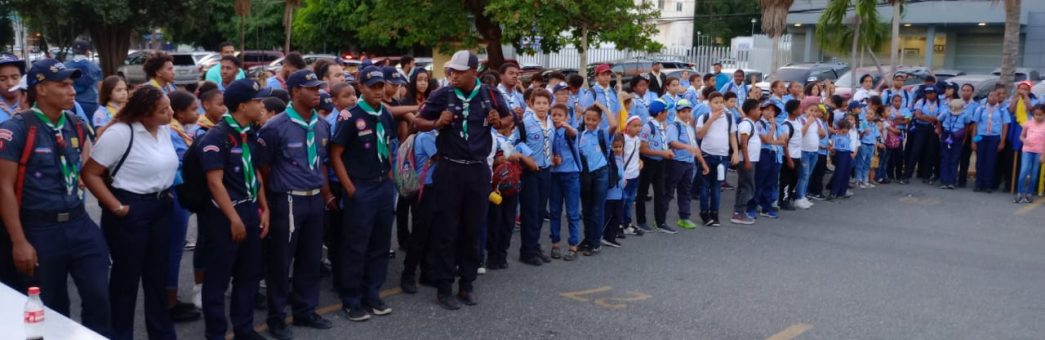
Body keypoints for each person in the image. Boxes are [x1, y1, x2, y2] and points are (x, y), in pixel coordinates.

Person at [0, 59, 110, 337]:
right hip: (40, 228)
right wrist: (19, 241)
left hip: (79, 222)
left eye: (72, 84)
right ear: (41, 89)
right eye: (63, 85)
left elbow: (86, 170)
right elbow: (4, 187)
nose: (72, 90)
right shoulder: (18, 129)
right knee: (52, 306)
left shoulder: (75, 123)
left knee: (99, 297)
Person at [409, 50, 510, 309]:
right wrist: (436, 123)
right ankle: (444, 287)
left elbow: (512, 119)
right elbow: (417, 122)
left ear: (473, 73)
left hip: (477, 169)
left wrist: (500, 121)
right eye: (451, 70)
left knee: (472, 229)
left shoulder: (490, 94)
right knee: (447, 230)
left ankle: (467, 284)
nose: (452, 74)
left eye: (459, 71)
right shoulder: (443, 94)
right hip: (450, 169)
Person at [82, 84, 179, 340]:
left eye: (169, 106)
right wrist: (117, 207)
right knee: (126, 281)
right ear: (144, 114)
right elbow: (90, 174)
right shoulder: (121, 134)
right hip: (130, 208)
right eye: (162, 110)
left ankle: (162, 334)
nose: (170, 113)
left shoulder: (164, 130)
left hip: (161, 206)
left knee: (157, 278)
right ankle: (119, 335)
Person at [256, 69, 334, 337]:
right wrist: (270, 201)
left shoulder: (322, 124)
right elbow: (263, 167)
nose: (318, 92)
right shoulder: (275, 126)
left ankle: (305, 310)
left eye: (318, 88)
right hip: (288, 200)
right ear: (294, 91)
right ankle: (276, 317)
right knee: (281, 261)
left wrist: (325, 195)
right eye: (310, 88)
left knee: (310, 259)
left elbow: (321, 163)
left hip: (314, 199)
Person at [195, 79, 271, 340]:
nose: (262, 105)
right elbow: (215, 184)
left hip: (250, 210)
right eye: (258, 101)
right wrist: (233, 218)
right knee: (217, 280)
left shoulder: (250, 132)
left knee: (248, 275)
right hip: (224, 217)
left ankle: (244, 329)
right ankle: (215, 333)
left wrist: (265, 208)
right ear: (242, 106)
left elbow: (256, 175)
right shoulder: (216, 137)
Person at [328, 66, 397, 318]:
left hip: (382, 185)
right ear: (362, 88)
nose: (379, 91)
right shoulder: (349, 116)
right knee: (356, 245)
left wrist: (389, 175)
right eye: (373, 87)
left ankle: (373, 293)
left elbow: (387, 143)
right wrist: (348, 187)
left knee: (380, 243)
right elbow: (335, 153)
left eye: (381, 86)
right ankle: (351, 298)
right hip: (361, 187)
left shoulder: (385, 114)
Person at [165, 90, 203, 322]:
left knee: (175, 250)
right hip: (175, 195)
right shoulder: (171, 133)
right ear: (179, 112)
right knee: (172, 251)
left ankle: (172, 298)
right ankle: (169, 303)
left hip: (181, 194)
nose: (197, 113)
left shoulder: (179, 131)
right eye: (193, 109)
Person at [516, 87, 555, 267]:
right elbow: (514, 143)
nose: (541, 107)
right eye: (538, 103)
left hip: (546, 170)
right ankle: (527, 251)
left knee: (540, 212)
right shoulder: (525, 122)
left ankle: (535, 244)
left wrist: (554, 155)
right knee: (530, 212)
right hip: (530, 171)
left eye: (544, 103)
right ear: (531, 104)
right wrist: (527, 157)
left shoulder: (550, 121)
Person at [696, 92, 740, 225]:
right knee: (704, 186)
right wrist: (711, 119)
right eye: (716, 102)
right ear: (710, 104)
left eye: (721, 102)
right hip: (707, 156)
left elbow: (732, 135)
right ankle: (704, 212)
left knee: (716, 186)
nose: (719, 105)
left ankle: (715, 213)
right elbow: (699, 135)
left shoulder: (729, 116)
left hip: (723, 157)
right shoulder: (704, 117)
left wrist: (736, 152)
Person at [665, 99, 708, 229]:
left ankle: (684, 217)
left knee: (686, 191)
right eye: (683, 111)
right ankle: (660, 218)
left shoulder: (689, 127)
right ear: (677, 112)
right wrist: (686, 147)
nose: (687, 114)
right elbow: (672, 142)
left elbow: (695, 147)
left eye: (689, 111)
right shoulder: (674, 126)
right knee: (669, 191)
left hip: (689, 164)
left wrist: (703, 163)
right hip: (676, 162)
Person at [548, 103, 582, 260]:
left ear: (566, 117)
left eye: (560, 115)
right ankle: (555, 243)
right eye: (553, 114)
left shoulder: (568, 131)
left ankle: (573, 245)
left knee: (572, 212)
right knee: (554, 211)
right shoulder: (548, 131)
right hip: (554, 175)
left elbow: (573, 133)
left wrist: (565, 125)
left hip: (570, 174)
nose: (556, 118)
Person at [576, 105, 611, 256]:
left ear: (599, 120)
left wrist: (603, 107)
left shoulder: (603, 133)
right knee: (586, 209)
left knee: (597, 209)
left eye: (594, 119)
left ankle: (596, 242)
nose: (590, 122)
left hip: (601, 174)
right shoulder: (580, 134)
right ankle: (588, 239)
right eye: (587, 119)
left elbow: (615, 124)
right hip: (585, 175)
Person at [636, 99, 673, 232]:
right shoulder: (648, 126)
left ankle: (660, 222)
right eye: (666, 111)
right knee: (642, 192)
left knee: (660, 192)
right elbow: (643, 149)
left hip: (660, 163)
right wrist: (662, 152)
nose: (667, 113)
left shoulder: (661, 125)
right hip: (648, 162)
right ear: (659, 113)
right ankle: (641, 220)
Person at [972, 86, 1011, 193]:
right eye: (991, 96)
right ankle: (978, 183)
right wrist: (974, 141)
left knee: (991, 161)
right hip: (981, 136)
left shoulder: (1002, 110)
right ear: (987, 97)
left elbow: (1005, 127)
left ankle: (987, 184)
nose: (993, 98)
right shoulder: (981, 109)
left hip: (994, 138)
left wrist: (1002, 141)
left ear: (999, 98)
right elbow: (975, 125)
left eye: (995, 96)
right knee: (980, 161)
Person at [732, 99, 762, 224]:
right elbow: (743, 144)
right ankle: (739, 213)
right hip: (746, 160)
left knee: (744, 186)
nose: (760, 112)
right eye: (759, 109)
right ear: (751, 111)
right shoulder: (746, 124)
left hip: (749, 159)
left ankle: (738, 211)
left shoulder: (750, 123)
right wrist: (747, 161)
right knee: (748, 187)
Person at [905, 85, 943, 184]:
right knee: (915, 151)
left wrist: (927, 117)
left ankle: (926, 175)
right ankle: (907, 175)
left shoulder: (940, 103)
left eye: (931, 93)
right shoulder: (921, 102)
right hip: (921, 128)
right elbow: (918, 116)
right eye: (927, 93)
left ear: (936, 93)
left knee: (929, 152)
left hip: (932, 129)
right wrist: (932, 118)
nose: (929, 95)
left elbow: (940, 117)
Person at [754, 101, 784, 219]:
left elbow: (782, 141)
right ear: (762, 110)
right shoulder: (759, 124)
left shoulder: (777, 125)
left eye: (772, 110)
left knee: (770, 182)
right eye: (767, 109)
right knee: (760, 180)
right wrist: (772, 128)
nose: (770, 112)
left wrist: (772, 139)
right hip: (763, 153)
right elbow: (766, 139)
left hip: (775, 154)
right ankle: (756, 203)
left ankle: (766, 206)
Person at [938, 99, 973, 189]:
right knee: (945, 158)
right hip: (946, 134)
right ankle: (944, 181)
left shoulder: (965, 114)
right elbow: (938, 120)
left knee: (954, 159)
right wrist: (940, 132)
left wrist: (964, 139)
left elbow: (967, 126)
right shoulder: (946, 112)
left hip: (957, 137)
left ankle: (951, 181)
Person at [65, 41, 103, 119]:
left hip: (70, 102)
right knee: (90, 129)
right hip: (90, 103)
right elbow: (100, 86)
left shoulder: (65, 66)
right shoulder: (94, 66)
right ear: (87, 51)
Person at [619, 116, 645, 236]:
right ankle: (618, 225)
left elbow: (635, 154)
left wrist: (639, 161)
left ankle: (627, 224)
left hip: (635, 175)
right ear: (627, 126)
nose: (638, 128)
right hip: (625, 176)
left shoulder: (637, 140)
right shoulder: (623, 139)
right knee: (622, 201)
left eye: (640, 126)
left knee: (630, 201)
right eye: (635, 126)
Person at [1015, 104, 1045, 203]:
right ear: (1033, 114)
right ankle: (1020, 193)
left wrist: (1043, 155)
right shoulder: (1028, 123)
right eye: (1036, 114)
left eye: (1040, 115)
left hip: (1039, 152)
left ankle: (1029, 194)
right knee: (1024, 171)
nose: (1038, 116)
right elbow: (1021, 136)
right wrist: (1024, 140)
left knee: (1034, 173)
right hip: (1027, 150)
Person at [601, 134, 627, 247]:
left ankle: (609, 237)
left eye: (619, 147)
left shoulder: (621, 158)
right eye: (614, 147)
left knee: (617, 216)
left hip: (619, 193)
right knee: (607, 217)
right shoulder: (609, 160)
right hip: (610, 195)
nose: (617, 149)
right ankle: (601, 236)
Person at [779, 99, 803, 210]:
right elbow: (784, 144)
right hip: (789, 156)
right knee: (786, 179)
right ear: (793, 111)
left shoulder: (798, 121)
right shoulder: (786, 125)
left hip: (797, 156)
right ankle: (783, 200)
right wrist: (789, 159)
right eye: (799, 108)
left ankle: (789, 197)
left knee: (795, 178)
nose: (801, 109)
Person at [957, 83, 979, 188]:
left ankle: (962, 180)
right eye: (964, 90)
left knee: (965, 158)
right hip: (956, 132)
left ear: (972, 93)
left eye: (968, 90)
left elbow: (975, 122)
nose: (966, 92)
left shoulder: (976, 106)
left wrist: (967, 132)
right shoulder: (956, 103)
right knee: (955, 157)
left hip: (970, 133)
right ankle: (951, 179)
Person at [855, 100, 881, 188]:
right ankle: (859, 180)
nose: (868, 115)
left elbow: (876, 137)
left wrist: (876, 148)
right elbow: (860, 134)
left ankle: (865, 180)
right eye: (867, 113)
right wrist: (863, 132)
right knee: (861, 162)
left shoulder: (874, 125)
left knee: (867, 163)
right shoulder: (863, 123)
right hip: (864, 144)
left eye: (871, 114)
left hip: (871, 145)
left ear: (874, 116)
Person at [828, 119, 856, 200]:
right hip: (840, 154)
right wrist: (832, 151)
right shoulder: (836, 136)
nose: (846, 130)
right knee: (839, 173)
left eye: (848, 128)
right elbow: (832, 147)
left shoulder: (848, 135)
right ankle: (833, 192)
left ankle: (842, 192)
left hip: (847, 153)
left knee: (846, 173)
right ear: (840, 128)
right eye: (844, 128)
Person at [0, 55, 25, 123]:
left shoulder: (32, 103)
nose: (10, 83)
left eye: (15, 77)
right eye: (2, 79)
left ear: (22, 78)